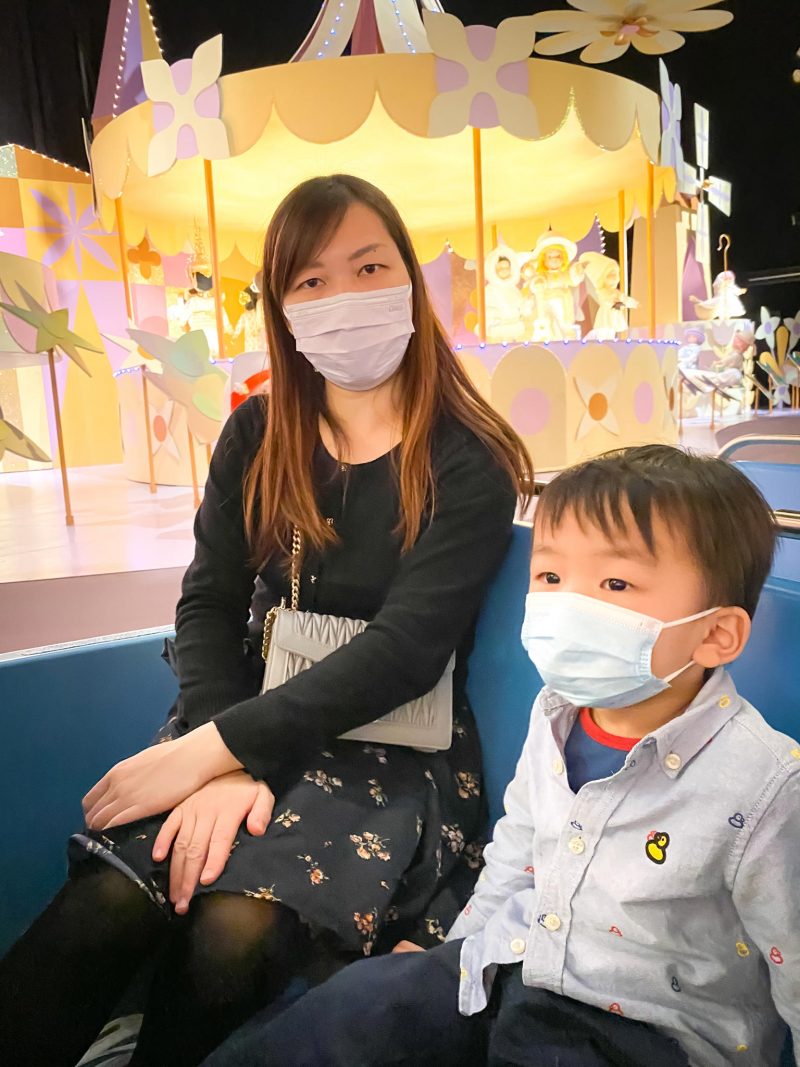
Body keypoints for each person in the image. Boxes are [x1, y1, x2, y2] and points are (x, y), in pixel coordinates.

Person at [0, 175, 533, 1067]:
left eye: (369, 267)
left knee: (234, 929)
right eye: (311, 280)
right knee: (109, 900)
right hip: (238, 713)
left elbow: (404, 652)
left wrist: (220, 752)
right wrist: (221, 747)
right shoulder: (255, 434)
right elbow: (207, 602)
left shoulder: (467, 459)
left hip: (387, 746)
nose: (344, 295)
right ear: (283, 309)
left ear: (409, 278)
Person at [201, 445, 799, 1067]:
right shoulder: (555, 714)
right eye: (551, 578)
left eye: (615, 583)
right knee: (348, 1008)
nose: (567, 606)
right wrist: (450, 958)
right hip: (509, 963)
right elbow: (517, 853)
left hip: (639, 1031)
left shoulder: (765, 786)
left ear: (715, 635)